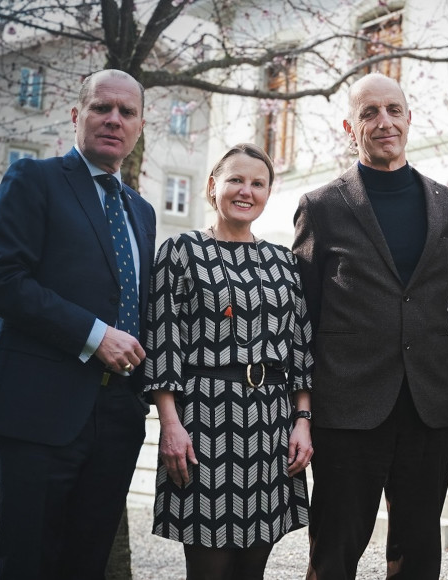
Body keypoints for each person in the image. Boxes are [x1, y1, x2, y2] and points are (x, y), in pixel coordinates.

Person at [0, 69, 156, 579]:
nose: (114, 120)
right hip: (41, 412)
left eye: (126, 112)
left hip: (119, 419)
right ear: (77, 115)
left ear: (140, 126)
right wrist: (95, 335)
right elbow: (1, 280)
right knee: (28, 561)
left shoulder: (141, 212)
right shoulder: (34, 179)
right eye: (102, 108)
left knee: (87, 563)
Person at [292, 72, 448, 579]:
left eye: (393, 110)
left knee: (417, 553)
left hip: (427, 405)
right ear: (351, 126)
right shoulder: (321, 207)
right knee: (335, 550)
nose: (383, 121)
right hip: (347, 406)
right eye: (369, 113)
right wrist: (299, 410)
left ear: (410, 119)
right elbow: (302, 316)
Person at [144, 143, 314, 580]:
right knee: (209, 566)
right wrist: (170, 424)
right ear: (212, 185)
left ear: (268, 192)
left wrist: (302, 420)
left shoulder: (283, 262)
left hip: (271, 425)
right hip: (204, 425)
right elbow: (164, 342)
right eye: (236, 179)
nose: (246, 191)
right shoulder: (180, 251)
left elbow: (299, 347)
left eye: (258, 183)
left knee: (252, 567)